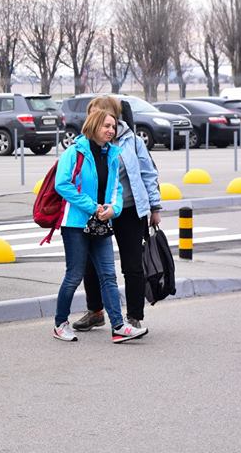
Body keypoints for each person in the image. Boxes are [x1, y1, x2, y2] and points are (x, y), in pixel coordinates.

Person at [52, 108, 148, 344]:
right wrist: (92, 206)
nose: (111, 130)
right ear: (94, 126)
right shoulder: (74, 152)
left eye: (113, 126)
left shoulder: (112, 154)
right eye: (106, 126)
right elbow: (62, 184)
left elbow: (116, 188)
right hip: (75, 224)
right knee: (74, 275)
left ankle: (118, 327)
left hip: (102, 223)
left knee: (108, 276)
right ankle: (60, 323)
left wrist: (114, 209)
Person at [72, 96, 161, 333]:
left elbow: (148, 173)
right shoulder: (84, 142)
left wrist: (155, 207)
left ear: (111, 115)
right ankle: (95, 311)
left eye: (97, 114)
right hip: (96, 210)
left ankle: (134, 316)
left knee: (132, 264)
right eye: (91, 114)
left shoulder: (132, 141)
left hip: (129, 209)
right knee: (91, 264)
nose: (93, 119)